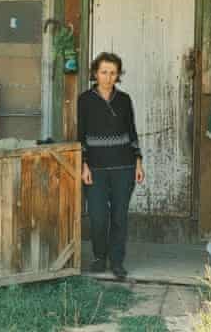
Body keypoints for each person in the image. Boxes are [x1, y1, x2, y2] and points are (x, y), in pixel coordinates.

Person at [77, 52, 144, 280]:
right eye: (104, 72)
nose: (108, 77)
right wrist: (83, 164)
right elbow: (81, 135)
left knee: (119, 217)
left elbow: (132, 132)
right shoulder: (84, 100)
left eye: (113, 73)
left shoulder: (124, 100)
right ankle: (99, 256)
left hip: (124, 167)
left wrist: (138, 162)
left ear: (118, 75)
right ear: (95, 73)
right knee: (97, 216)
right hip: (94, 168)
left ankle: (117, 262)